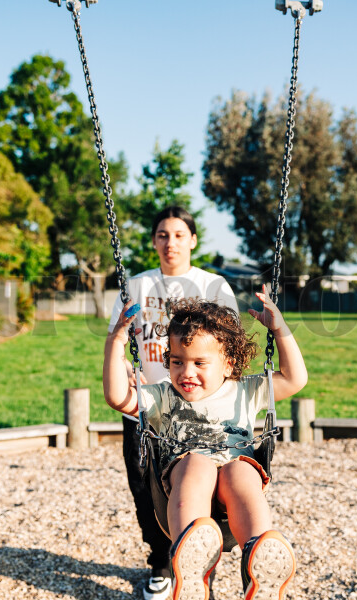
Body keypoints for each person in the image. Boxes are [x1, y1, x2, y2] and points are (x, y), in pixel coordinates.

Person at [103, 288, 308, 600]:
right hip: (185, 483)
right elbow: (118, 397)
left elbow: (295, 379)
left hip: (232, 488)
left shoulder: (246, 390)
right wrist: (115, 343)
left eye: (200, 363)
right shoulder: (162, 395)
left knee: (240, 472)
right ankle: (191, 567)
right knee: (197, 464)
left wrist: (280, 330)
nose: (187, 372)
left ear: (227, 364)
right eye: (177, 362)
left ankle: (261, 559)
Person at [106, 206, 239, 600]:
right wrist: (127, 367)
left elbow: (229, 347)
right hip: (147, 405)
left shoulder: (212, 286)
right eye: (163, 235)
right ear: (153, 241)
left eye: (179, 235)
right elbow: (119, 336)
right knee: (144, 488)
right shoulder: (137, 286)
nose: (171, 243)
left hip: (199, 409)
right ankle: (161, 564)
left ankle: (200, 568)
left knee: (202, 489)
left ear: (193, 240)